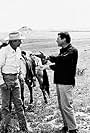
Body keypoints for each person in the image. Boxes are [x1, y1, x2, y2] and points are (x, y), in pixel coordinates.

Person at [42, 32, 78, 133]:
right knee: (62, 106)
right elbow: (60, 63)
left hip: (66, 83)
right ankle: (67, 126)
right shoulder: (64, 51)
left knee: (66, 106)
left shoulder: (72, 51)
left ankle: (73, 129)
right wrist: (48, 61)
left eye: (58, 38)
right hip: (60, 82)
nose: (56, 40)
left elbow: (62, 61)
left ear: (64, 39)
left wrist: (48, 63)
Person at [0, 32, 33, 133]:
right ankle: (6, 128)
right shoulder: (4, 51)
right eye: (19, 40)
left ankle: (24, 127)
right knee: (6, 106)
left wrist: (20, 74)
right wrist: (2, 82)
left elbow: (18, 65)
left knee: (19, 104)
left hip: (15, 79)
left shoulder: (18, 50)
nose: (21, 42)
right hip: (6, 79)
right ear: (13, 41)